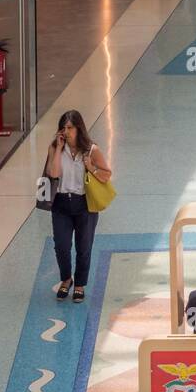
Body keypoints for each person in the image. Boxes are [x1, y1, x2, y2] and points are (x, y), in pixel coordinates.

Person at [43, 110, 112, 304]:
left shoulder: (91, 150)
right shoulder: (54, 147)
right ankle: (66, 279)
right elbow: (54, 173)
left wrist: (91, 167)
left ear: (79, 128)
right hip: (61, 203)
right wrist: (58, 148)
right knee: (62, 246)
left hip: (85, 205)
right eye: (63, 127)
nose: (66, 131)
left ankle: (80, 284)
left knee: (84, 247)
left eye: (70, 127)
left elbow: (106, 175)